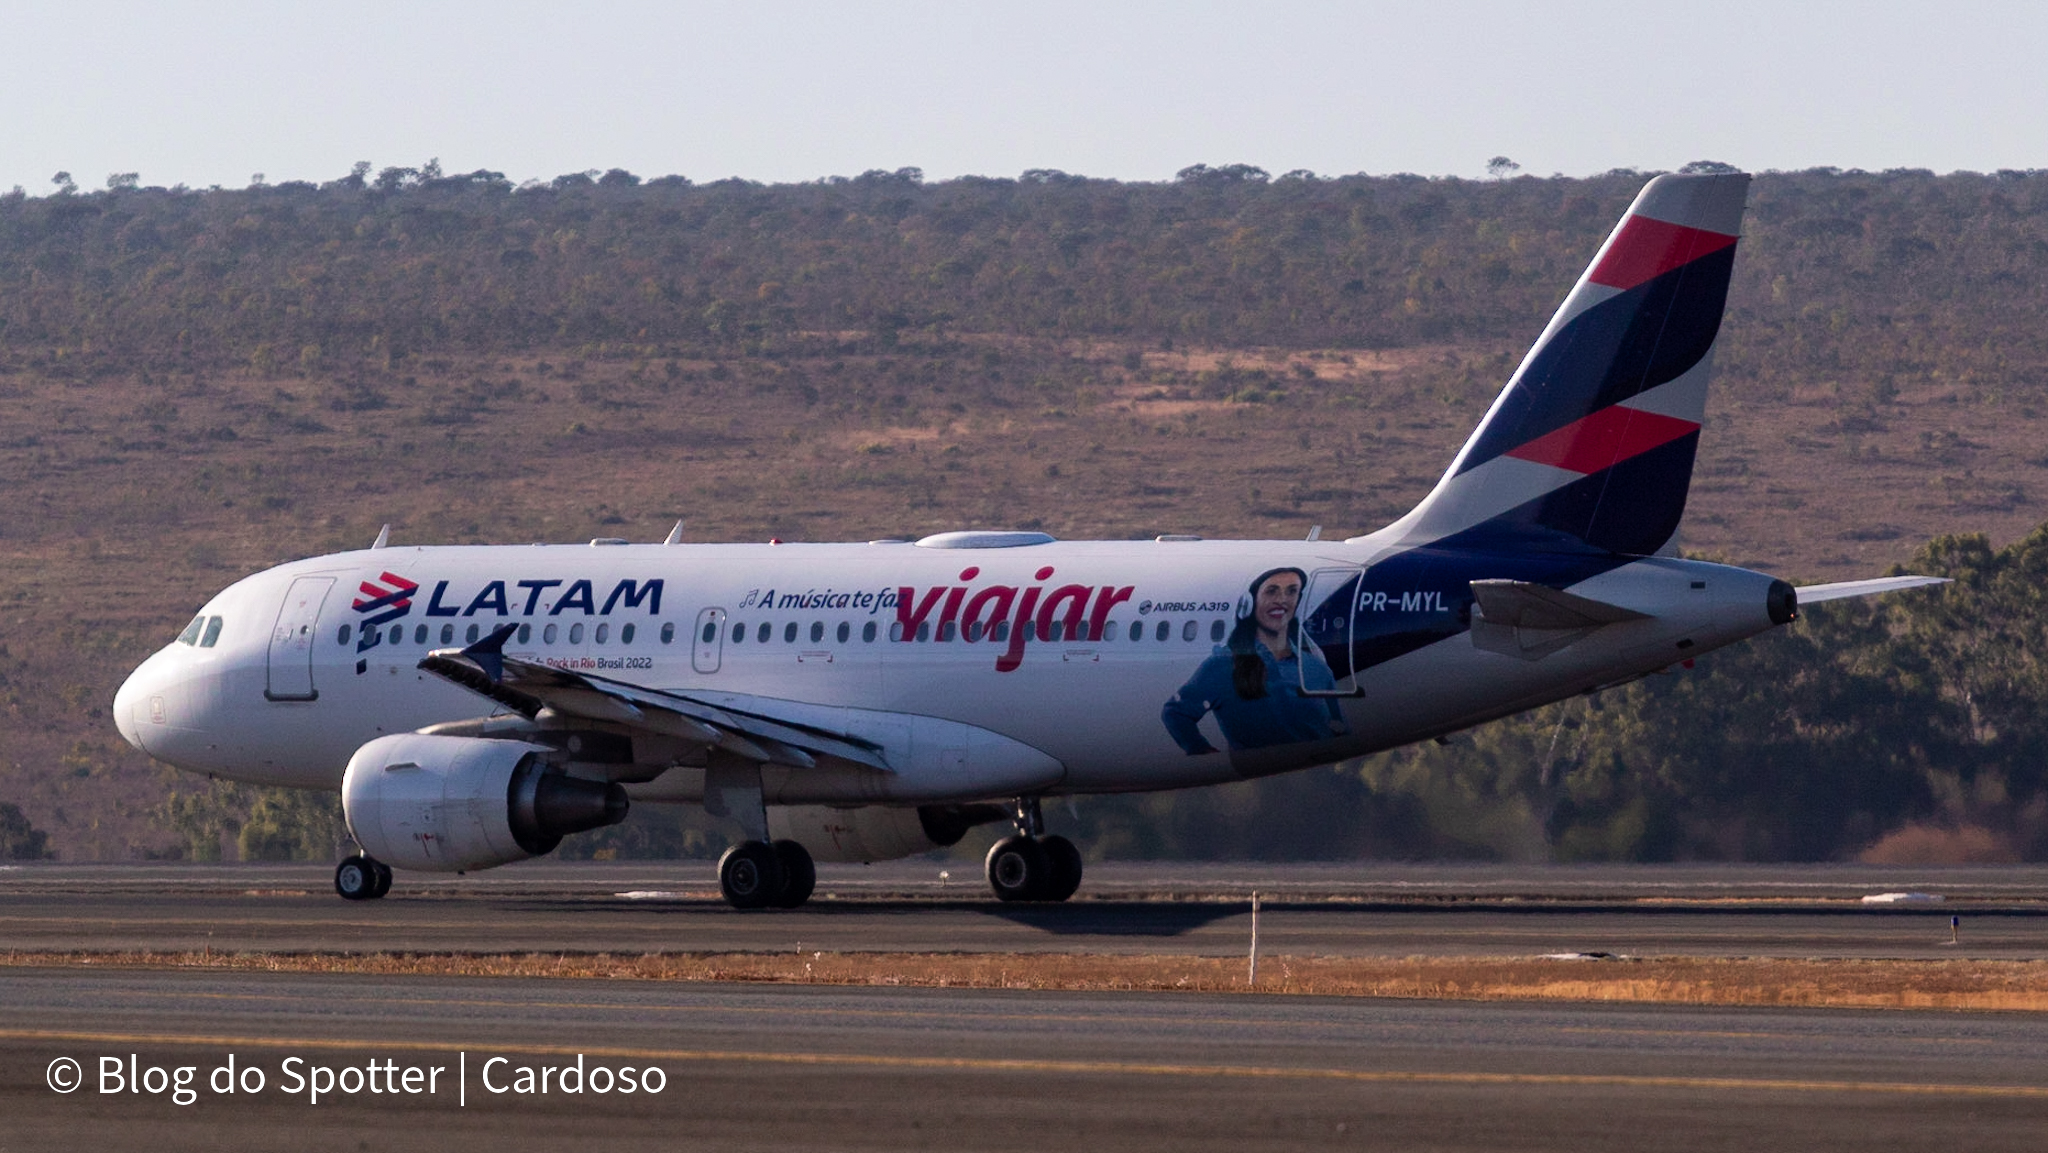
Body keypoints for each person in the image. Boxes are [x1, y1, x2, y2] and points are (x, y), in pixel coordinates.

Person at [1161, 567, 1348, 755]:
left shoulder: (1315, 667)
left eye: (1291, 591)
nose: (1282, 600)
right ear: (1249, 604)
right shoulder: (1224, 664)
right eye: (1272, 591)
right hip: (1258, 774)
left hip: (1310, 774)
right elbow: (1175, 713)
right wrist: (1202, 751)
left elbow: (1340, 728)